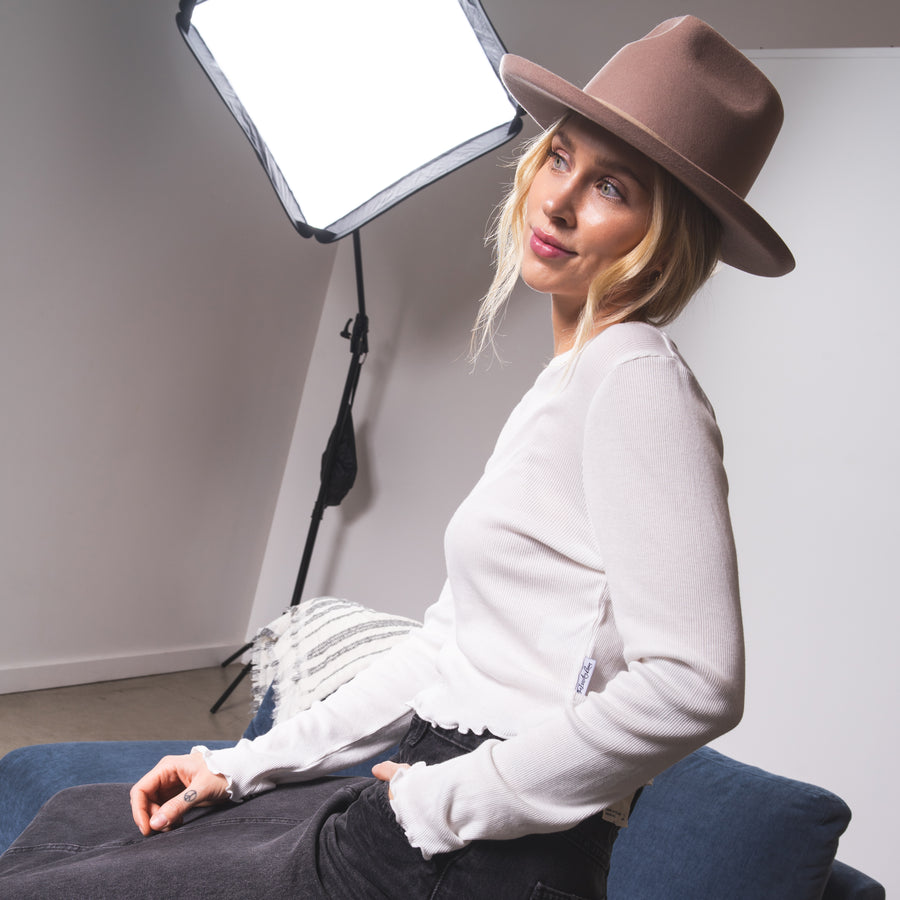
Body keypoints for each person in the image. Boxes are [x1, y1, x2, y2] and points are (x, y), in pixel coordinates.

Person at [0, 15, 793, 899]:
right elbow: (444, 653)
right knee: (79, 822)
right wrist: (239, 764)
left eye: (611, 187)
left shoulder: (636, 379)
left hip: (475, 850)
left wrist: (443, 802)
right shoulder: (576, 381)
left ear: (669, 235)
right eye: (561, 157)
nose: (559, 200)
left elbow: (696, 683)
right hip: (431, 808)